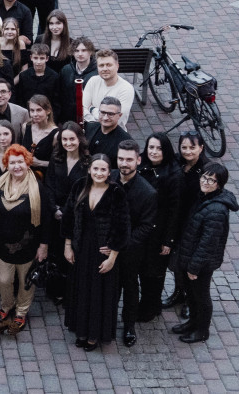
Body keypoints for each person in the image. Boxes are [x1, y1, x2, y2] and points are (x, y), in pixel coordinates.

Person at [62, 154, 129, 351]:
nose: (99, 173)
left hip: (102, 252)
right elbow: (68, 217)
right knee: (81, 290)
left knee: (99, 294)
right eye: (95, 169)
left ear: (109, 172)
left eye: (103, 170)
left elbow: (123, 226)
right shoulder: (79, 186)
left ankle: (94, 335)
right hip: (81, 248)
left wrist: (113, 257)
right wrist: (68, 246)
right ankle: (81, 330)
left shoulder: (117, 192)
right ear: (89, 169)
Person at [0, 145, 51, 336]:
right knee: (3, 279)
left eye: (20, 161)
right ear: (7, 164)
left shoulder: (38, 188)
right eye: (12, 162)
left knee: (25, 282)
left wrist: (43, 245)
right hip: (2, 243)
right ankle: (7, 306)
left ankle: (21, 311)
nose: (16, 166)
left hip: (28, 245)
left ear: (27, 162)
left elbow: (46, 219)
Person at [172, 163, 236, 344]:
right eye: (204, 177)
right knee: (191, 294)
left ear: (219, 184)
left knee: (201, 296)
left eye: (211, 180)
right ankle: (192, 322)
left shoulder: (216, 210)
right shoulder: (204, 197)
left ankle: (202, 330)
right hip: (191, 256)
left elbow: (207, 243)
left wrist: (194, 267)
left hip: (200, 263)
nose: (205, 182)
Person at [113, 140, 157, 347]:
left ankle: (129, 326)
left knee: (130, 288)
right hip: (106, 246)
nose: (124, 163)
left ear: (138, 160)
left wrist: (122, 245)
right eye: (121, 158)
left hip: (130, 251)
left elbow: (146, 227)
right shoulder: (109, 178)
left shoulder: (147, 192)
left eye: (129, 160)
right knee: (109, 286)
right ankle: (106, 320)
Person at [164, 132, 209, 317]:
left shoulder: (206, 170)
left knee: (190, 263)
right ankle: (178, 293)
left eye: (192, 147)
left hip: (194, 223)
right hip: (176, 220)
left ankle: (192, 300)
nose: (188, 151)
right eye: (184, 147)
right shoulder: (176, 161)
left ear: (201, 148)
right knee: (176, 261)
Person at [136, 133, 181, 322]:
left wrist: (168, 240)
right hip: (141, 229)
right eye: (151, 147)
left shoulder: (173, 174)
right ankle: (147, 304)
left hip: (159, 232)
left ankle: (150, 307)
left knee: (153, 273)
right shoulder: (141, 166)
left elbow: (175, 210)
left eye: (159, 148)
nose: (153, 152)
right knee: (141, 269)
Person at [82, 50, 135, 128]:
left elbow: (116, 120)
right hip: (91, 130)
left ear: (117, 66)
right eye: (101, 65)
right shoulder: (93, 81)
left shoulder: (126, 89)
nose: (105, 69)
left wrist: (92, 109)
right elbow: (82, 108)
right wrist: (95, 122)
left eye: (109, 65)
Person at [57, 37, 97, 123]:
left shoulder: (97, 74)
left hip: (89, 118)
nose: (80, 54)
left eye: (84, 50)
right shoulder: (66, 70)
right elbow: (59, 93)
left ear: (90, 52)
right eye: (76, 51)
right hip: (67, 117)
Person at [15, 44, 60, 115]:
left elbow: (56, 102)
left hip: (48, 116)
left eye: (42, 58)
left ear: (47, 58)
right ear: (31, 58)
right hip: (29, 115)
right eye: (35, 58)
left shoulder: (54, 77)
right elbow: (20, 99)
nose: (38, 62)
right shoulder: (24, 76)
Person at [21, 95, 58, 173]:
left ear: (48, 111)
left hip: (46, 177)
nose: (35, 114)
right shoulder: (25, 127)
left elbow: (59, 164)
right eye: (32, 110)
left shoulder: (56, 134)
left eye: (39, 110)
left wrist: (39, 163)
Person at [39, 10, 72, 75]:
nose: (54, 27)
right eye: (51, 23)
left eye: (58, 23)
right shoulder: (40, 40)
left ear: (64, 24)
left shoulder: (70, 43)